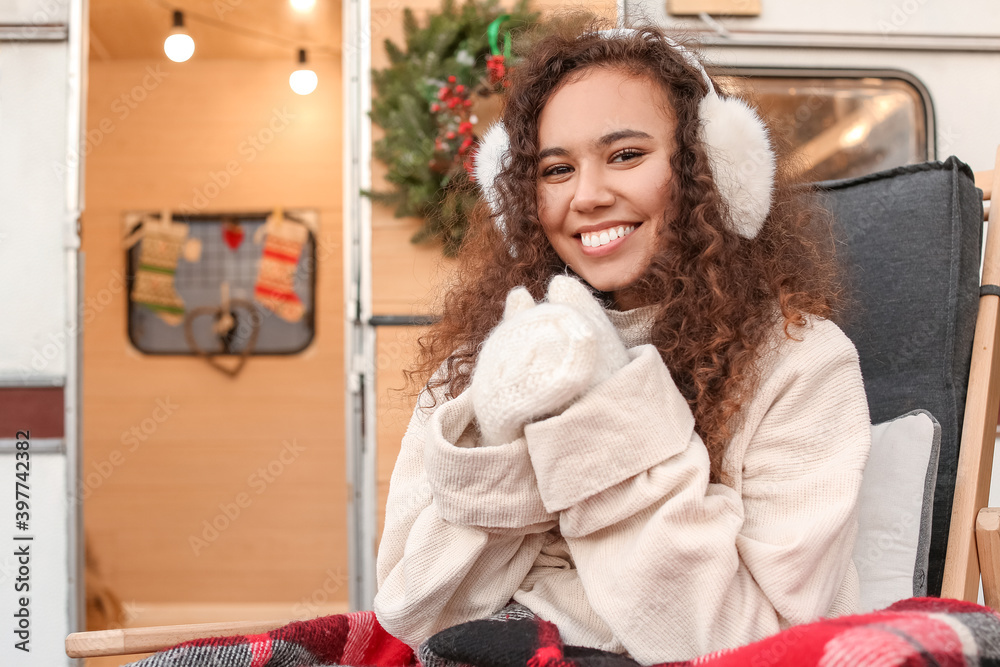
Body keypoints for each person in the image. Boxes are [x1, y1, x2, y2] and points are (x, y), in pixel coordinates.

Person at [373, 14, 871, 665]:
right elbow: (414, 614)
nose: (587, 195)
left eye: (626, 155)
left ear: (710, 168)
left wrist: (603, 406)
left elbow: (763, 643)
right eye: (555, 169)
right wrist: (498, 436)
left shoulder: (802, 364)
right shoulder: (485, 362)